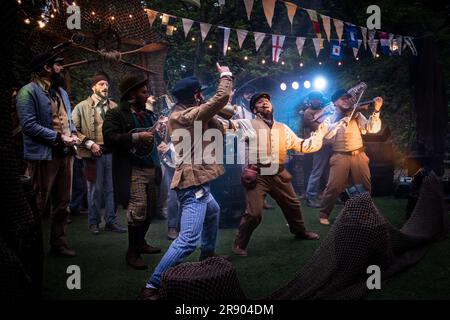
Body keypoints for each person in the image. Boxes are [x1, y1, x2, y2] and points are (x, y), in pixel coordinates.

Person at [140, 63, 233, 300]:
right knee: (188, 239)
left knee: (213, 212)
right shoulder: (183, 116)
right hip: (193, 185)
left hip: (200, 181)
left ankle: (207, 258)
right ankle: (152, 285)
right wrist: (225, 75)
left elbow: (223, 114)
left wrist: (217, 111)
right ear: (196, 95)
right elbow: (221, 99)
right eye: (200, 93)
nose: (203, 96)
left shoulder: (192, 112)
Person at [232, 92, 325, 257]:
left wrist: (320, 134)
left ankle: (299, 231)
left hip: (279, 173)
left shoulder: (283, 127)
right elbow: (236, 135)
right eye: (260, 102)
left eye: (267, 101)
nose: (265, 103)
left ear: (272, 106)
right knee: (254, 213)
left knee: (293, 205)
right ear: (254, 109)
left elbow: (301, 145)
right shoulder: (247, 124)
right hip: (258, 175)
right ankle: (239, 243)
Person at [16, 52, 81, 257]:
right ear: (46, 67)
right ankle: (28, 249)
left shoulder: (60, 92)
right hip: (43, 156)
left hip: (65, 155)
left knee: (63, 203)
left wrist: (73, 136)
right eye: (58, 64)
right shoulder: (27, 92)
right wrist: (59, 137)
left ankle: (58, 244)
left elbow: (67, 121)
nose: (61, 68)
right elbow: (28, 126)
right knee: (37, 204)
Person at [103, 75, 163, 270]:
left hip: (152, 167)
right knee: (137, 210)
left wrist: (160, 132)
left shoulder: (148, 114)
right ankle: (132, 251)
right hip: (132, 168)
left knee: (151, 210)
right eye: (144, 92)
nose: (148, 95)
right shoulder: (115, 114)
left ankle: (141, 242)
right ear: (131, 94)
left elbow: (155, 141)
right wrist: (136, 137)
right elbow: (110, 139)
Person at [72, 71, 126, 235]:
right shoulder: (81, 107)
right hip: (92, 154)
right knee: (95, 189)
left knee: (111, 189)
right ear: (93, 87)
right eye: (101, 84)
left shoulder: (114, 106)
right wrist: (90, 144)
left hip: (112, 153)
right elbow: (73, 130)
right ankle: (93, 222)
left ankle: (111, 221)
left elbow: (122, 127)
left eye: (107, 85)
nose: (105, 87)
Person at [319, 89, 383, 225]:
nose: (347, 100)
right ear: (335, 102)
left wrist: (376, 111)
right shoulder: (330, 118)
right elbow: (326, 135)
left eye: (348, 98)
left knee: (365, 185)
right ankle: (324, 213)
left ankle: (363, 213)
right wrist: (340, 122)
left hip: (359, 154)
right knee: (333, 187)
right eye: (343, 99)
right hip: (339, 155)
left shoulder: (357, 114)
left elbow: (372, 129)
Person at [302, 91, 334, 208]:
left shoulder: (326, 109)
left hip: (331, 144)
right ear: (310, 100)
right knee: (316, 172)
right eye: (314, 99)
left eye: (318, 99)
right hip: (320, 145)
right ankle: (310, 198)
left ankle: (330, 195)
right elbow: (317, 128)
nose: (317, 101)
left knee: (331, 172)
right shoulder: (308, 113)